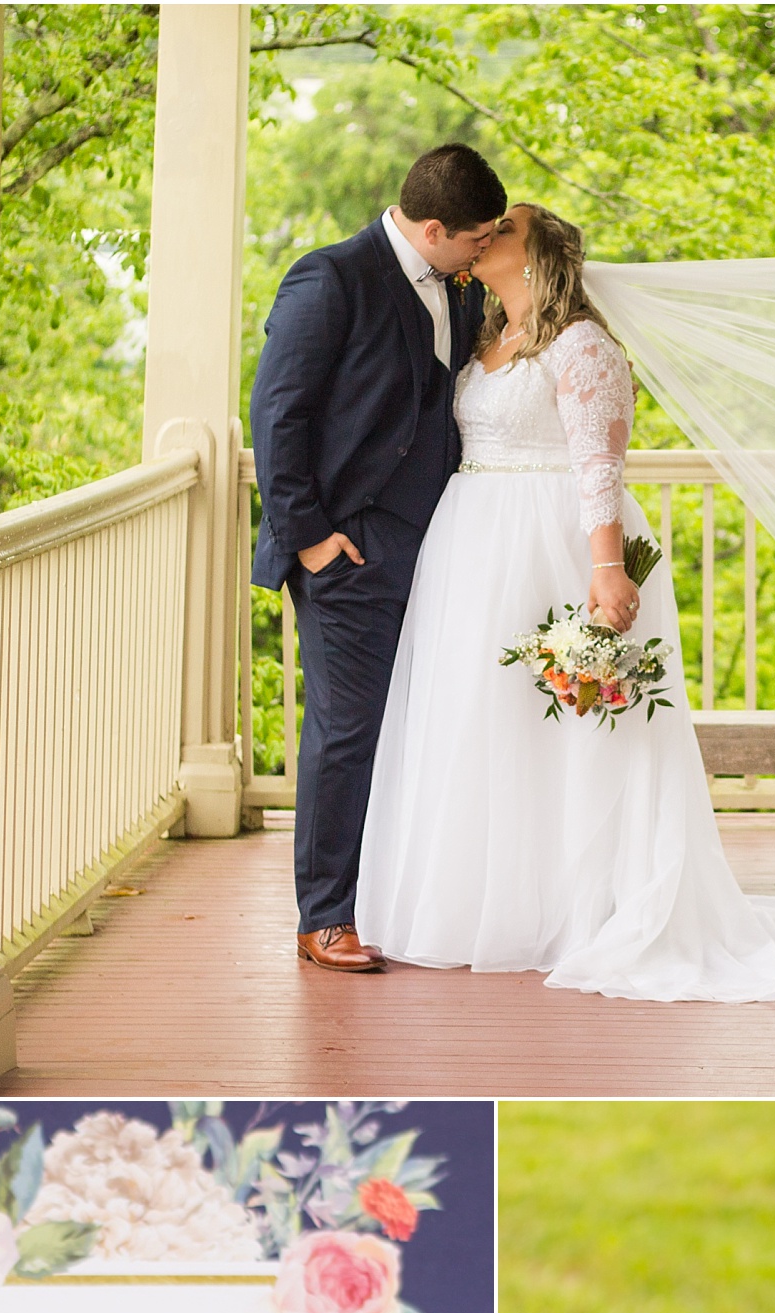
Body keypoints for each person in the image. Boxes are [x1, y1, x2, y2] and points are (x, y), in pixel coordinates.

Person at [355, 204, 775, 1002]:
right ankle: (493, 903)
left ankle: (590, 904)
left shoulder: (582, 346)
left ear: (537, 255)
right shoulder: (481, 342)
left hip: (554, 545)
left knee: (579, 728)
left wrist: (608, 569)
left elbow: (598, 463)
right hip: (471, 551)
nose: (484, 237)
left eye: (503, 229)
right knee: (486, 723)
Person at [249, 144, 505, 972]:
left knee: (418, 729)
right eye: (477, 239)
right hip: (349, 550)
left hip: (438, 551)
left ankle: (393, 897)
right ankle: (325, 917)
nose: (484, 252)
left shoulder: (458, 286)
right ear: (434, 229)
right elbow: (276, 417)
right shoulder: (330, 279)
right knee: (348, 733)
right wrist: (313, 540)